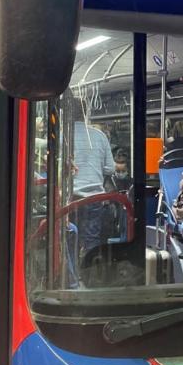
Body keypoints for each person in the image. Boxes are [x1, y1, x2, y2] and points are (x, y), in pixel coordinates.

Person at [71, 96, 115, 254]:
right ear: (86, 113)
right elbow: (110, 168)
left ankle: (72, 273)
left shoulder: (64, 135)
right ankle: (89, 273)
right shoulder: (100, 136)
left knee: (71, 236)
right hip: (95, 197)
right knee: (92, 237)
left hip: (72, 197)